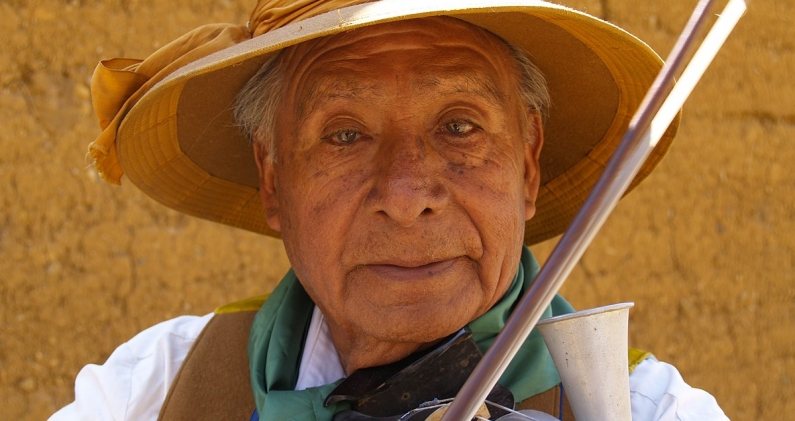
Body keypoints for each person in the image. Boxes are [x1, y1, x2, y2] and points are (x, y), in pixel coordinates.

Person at [50, 0, 730, 420]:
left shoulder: (649, 410)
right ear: (272, 177)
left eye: (459, 126)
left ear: (526, 160)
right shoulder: (154, 389)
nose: (407, 196)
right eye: (345, 134)